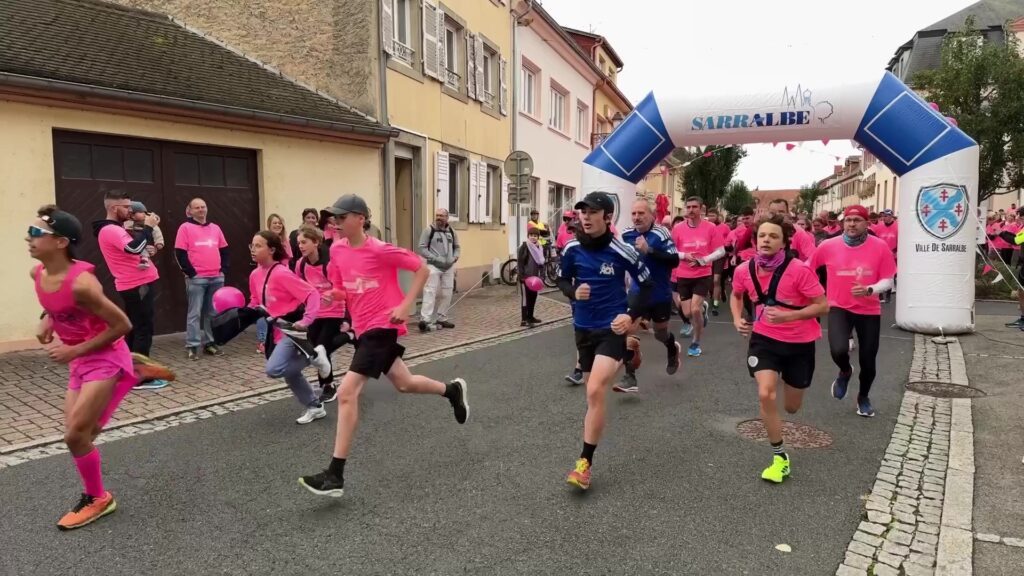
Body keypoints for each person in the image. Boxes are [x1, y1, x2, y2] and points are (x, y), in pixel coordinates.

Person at [298, 195, 468, 498]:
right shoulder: (336, 249)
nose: (335, 222)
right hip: (363, 328)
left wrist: (406, 304)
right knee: (404, 383)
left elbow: (422, 269)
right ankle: (451, 391)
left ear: (361, 218)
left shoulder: (379, 249)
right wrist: (332, 297)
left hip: (383, 325)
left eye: (342, 216)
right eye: (334, 217)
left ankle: (334, 475)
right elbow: (343, 289)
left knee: (347, 393)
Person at [29, 206, 142, 529]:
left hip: (104, 355)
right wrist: (46, 320)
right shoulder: (37, 274)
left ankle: (98, 498)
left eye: (37, 233)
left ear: (61, 242)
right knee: (84, 435)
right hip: (79, 359)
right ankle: (134, 376)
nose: (29, 237)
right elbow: (57, 306)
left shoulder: (83, 285)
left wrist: (74, 349)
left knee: (74, 435)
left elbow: (122, 324)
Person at [558, 191, 652, 491]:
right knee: (592, 394)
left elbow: (648, 285)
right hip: (583, 328)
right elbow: (561, 279)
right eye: (582, 212)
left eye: (592, 212)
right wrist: (573, 293)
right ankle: (631, 349)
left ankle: (584, 464)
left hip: (612, 327)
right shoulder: (572, 248)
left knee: (597, 388)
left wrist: (630, 314)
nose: (585, 216)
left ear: (607, 217)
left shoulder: (621, 250)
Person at [730, 215, 828, 483]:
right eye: (762, 236)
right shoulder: (743, 270)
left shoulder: (799, 270)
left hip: (800, 343)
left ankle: (787, 379)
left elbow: (823, 305)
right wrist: (738, 318)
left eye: (773, 236)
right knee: (765, 393)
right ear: (754, 240)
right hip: (765, 340)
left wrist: (788, 317)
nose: (766, 240)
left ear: (784, 242)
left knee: (793, 407)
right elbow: (736, 295)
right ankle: (779, 457)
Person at [808, 205, 896, 417]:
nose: (852, 224)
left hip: (869, 310)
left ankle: (863, 397)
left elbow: (888, 280)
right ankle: (845, 371)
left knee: (868, 360)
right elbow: (807, 268)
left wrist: (870, 289)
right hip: (839, 306)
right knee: (838, 350)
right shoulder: (828, 245)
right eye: (848, 220)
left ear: (866, 224)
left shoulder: (880, 246)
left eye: (857, 220)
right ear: (842, 224)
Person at [248, 230, 332, 424]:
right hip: (274, 329)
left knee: (274, 369)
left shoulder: (282, 273)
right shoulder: (254, 275)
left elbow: (311, 294)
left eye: (258, 245)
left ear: (272, 250)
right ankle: (314, 406)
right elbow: (255, 301)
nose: (253, 249)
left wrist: (306, 321)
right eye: (252, 245)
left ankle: (315, 357)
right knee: (291, 373)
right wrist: (240, 313)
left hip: (292, 329)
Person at [94, 192, 170, 390]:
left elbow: (135, 250)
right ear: (113, 208)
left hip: (136, 283)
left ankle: (127, 371)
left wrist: (149, 248)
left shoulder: (114, 229)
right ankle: (140, 377)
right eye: (126, 207)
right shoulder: (111, 230)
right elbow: (133, 250)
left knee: (136, 328)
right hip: (137, 285)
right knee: (143, 330)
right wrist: (149, 227)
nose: (130, 210)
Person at [615, 199, 681, 393]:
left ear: (652, 215)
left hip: (660, 293)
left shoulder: (661, 233)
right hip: (638, 291)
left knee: (660, 333)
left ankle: (671, 348)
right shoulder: (626, 234)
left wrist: (649, 251)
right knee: (627, 329)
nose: (637, 217)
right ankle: (630, 377)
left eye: (641, 213)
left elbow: (674, 260)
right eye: (634, 214)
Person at [294, 224, 355, 402]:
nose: (301, 246)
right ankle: (350, 337)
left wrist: (347, 317)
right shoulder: (301, 264)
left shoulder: (330, 263)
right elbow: (299, 287)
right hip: (314, 313)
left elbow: (345, 290)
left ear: (316, 242)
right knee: (312, 349)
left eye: (304, 242)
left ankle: (328, 385)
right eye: (298, 243)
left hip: (334, 312)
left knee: (322, 349)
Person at [175, 198, 229, 361]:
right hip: (197, 279)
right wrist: (191, 273)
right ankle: (192, 345)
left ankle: (210, 344)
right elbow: (180, 253)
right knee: (195, 313)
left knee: (212, 313)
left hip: (216, 277)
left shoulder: (215, 228)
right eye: (197, 207)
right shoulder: (185, 228)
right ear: (189, 211)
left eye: (203, 207)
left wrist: (223, 270)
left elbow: (225, 250)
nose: (200, 210)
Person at [671, 196, 725, 357]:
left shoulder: (710, 228)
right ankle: (704, 308)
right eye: (688, 207)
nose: (691, 210)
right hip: (683, 274)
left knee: (694, 309)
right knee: (687, 313)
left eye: (694, 207)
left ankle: (696, 343)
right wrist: (683, 255)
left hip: (703, 274)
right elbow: (671, 250)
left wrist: (704, 260)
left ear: (701, 209)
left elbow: (721, 250)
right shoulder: (678, 228)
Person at [416, 207, 460, 332]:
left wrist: (455, 257)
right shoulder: (429, 230)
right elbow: (422, 248)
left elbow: (457, 247)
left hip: (449, 267)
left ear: (447, 218)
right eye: (437, 215)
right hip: (433, 266)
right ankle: (425, 319)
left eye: (441, 216)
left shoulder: (452, 231)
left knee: (447, 293)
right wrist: (435, 258)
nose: (439, 218)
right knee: (430, 292)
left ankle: (442, 317)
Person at [256, 213, 294, 354]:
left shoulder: (285, 241)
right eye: (275, 223)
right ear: (269, 225)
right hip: (268, 278)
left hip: (284, 279)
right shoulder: (264, 240)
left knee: (280, 309)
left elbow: (288, 261)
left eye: (280, 223)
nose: (278, 225)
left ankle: (279, 337)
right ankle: (262, 340)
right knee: (263, 309)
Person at [124, 201, 165, 270]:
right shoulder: (126, 222)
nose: (144, 214)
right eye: (141, 212)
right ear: (132, 214)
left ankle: (144, 261)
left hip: (144, 243)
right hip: (132, 246)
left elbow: (157, 232)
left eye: (145, 212)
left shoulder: (148, 222)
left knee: (145, 250)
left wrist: (159, 242)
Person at [517, 228, 545, 327]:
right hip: (526, 278)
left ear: (538, 237)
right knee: (526, 298)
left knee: (533, 297)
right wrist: (522, 276)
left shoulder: (540, 247)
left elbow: (542, 263)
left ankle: (531, 316)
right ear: (528, 236)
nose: (533, 237)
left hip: (535, 278)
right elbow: (520, 263)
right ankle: (524, 319)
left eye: (535, 235)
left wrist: (542, 276)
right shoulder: (524, 247)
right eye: (531, 235)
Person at [707, 208, 731, 316]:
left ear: (717, 216)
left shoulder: (724, 227)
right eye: (709, 215)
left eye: (713, 215)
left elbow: (730, 239)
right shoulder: (705, 227)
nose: (711, 217)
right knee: (710, 281)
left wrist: (725, 248)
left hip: (719, 256)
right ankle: (713, 296)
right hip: (708, 256)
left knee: (716, 280)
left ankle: (715, 305)